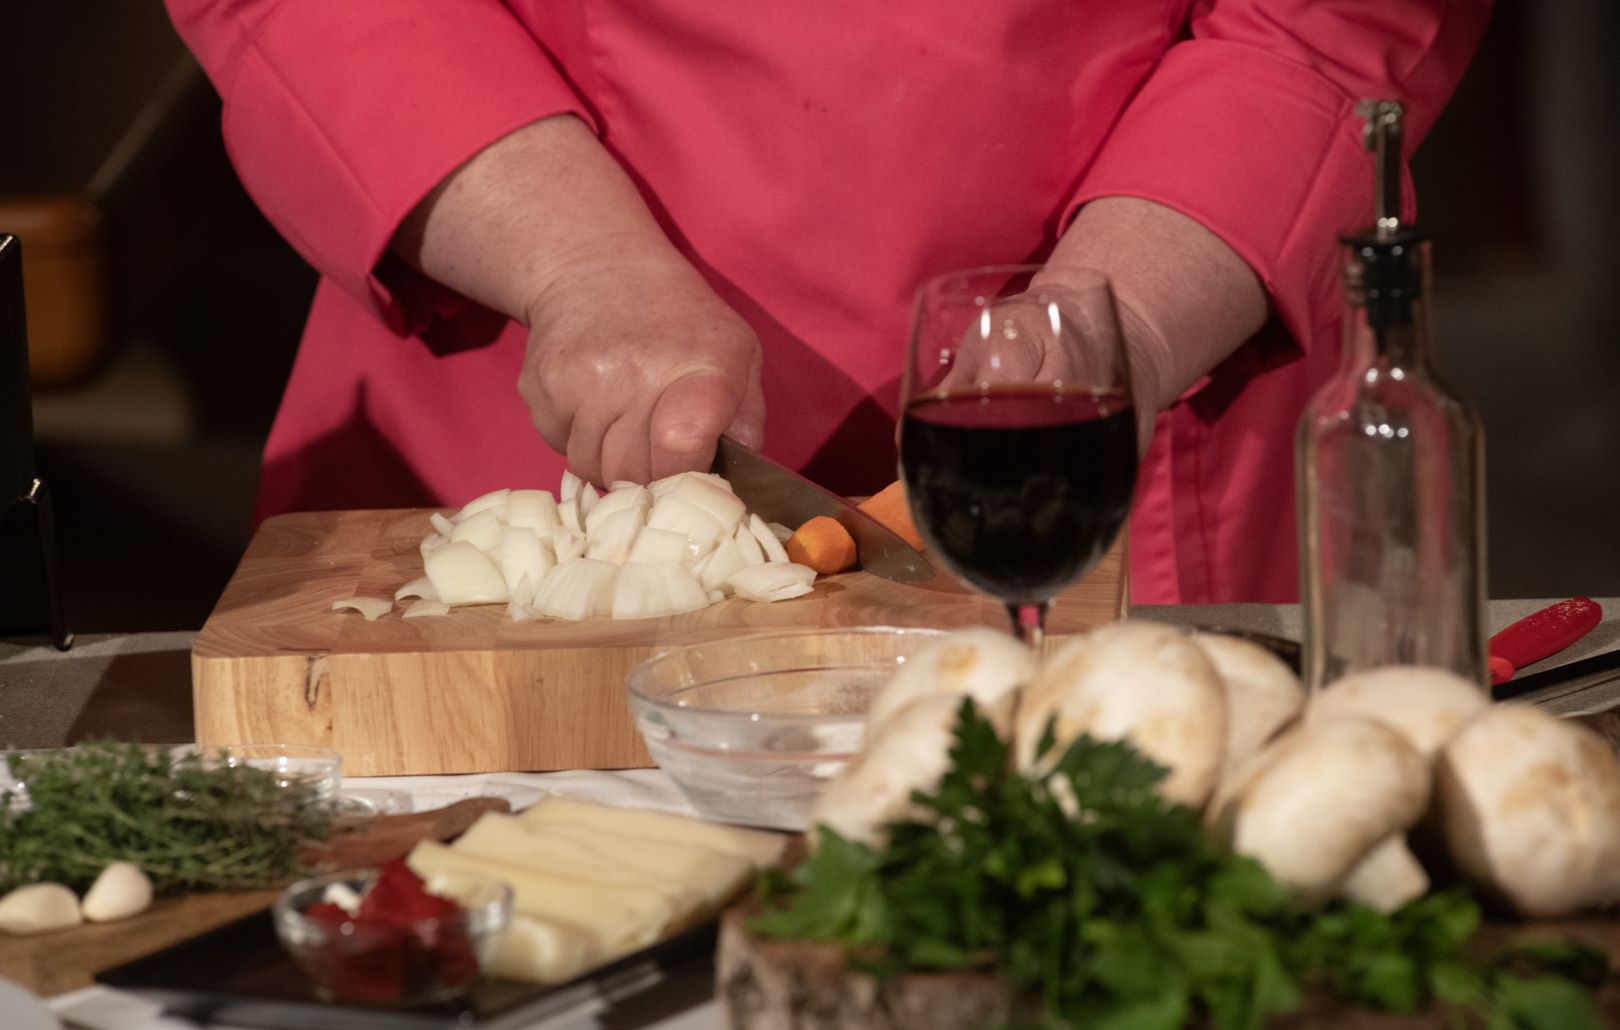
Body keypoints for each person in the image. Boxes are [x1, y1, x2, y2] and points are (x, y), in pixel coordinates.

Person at [165, 0, 1488, 604]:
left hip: (1133, 407)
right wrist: (575, 262)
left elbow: (1332, 19)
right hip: (524, 424)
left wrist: (1117, 326)